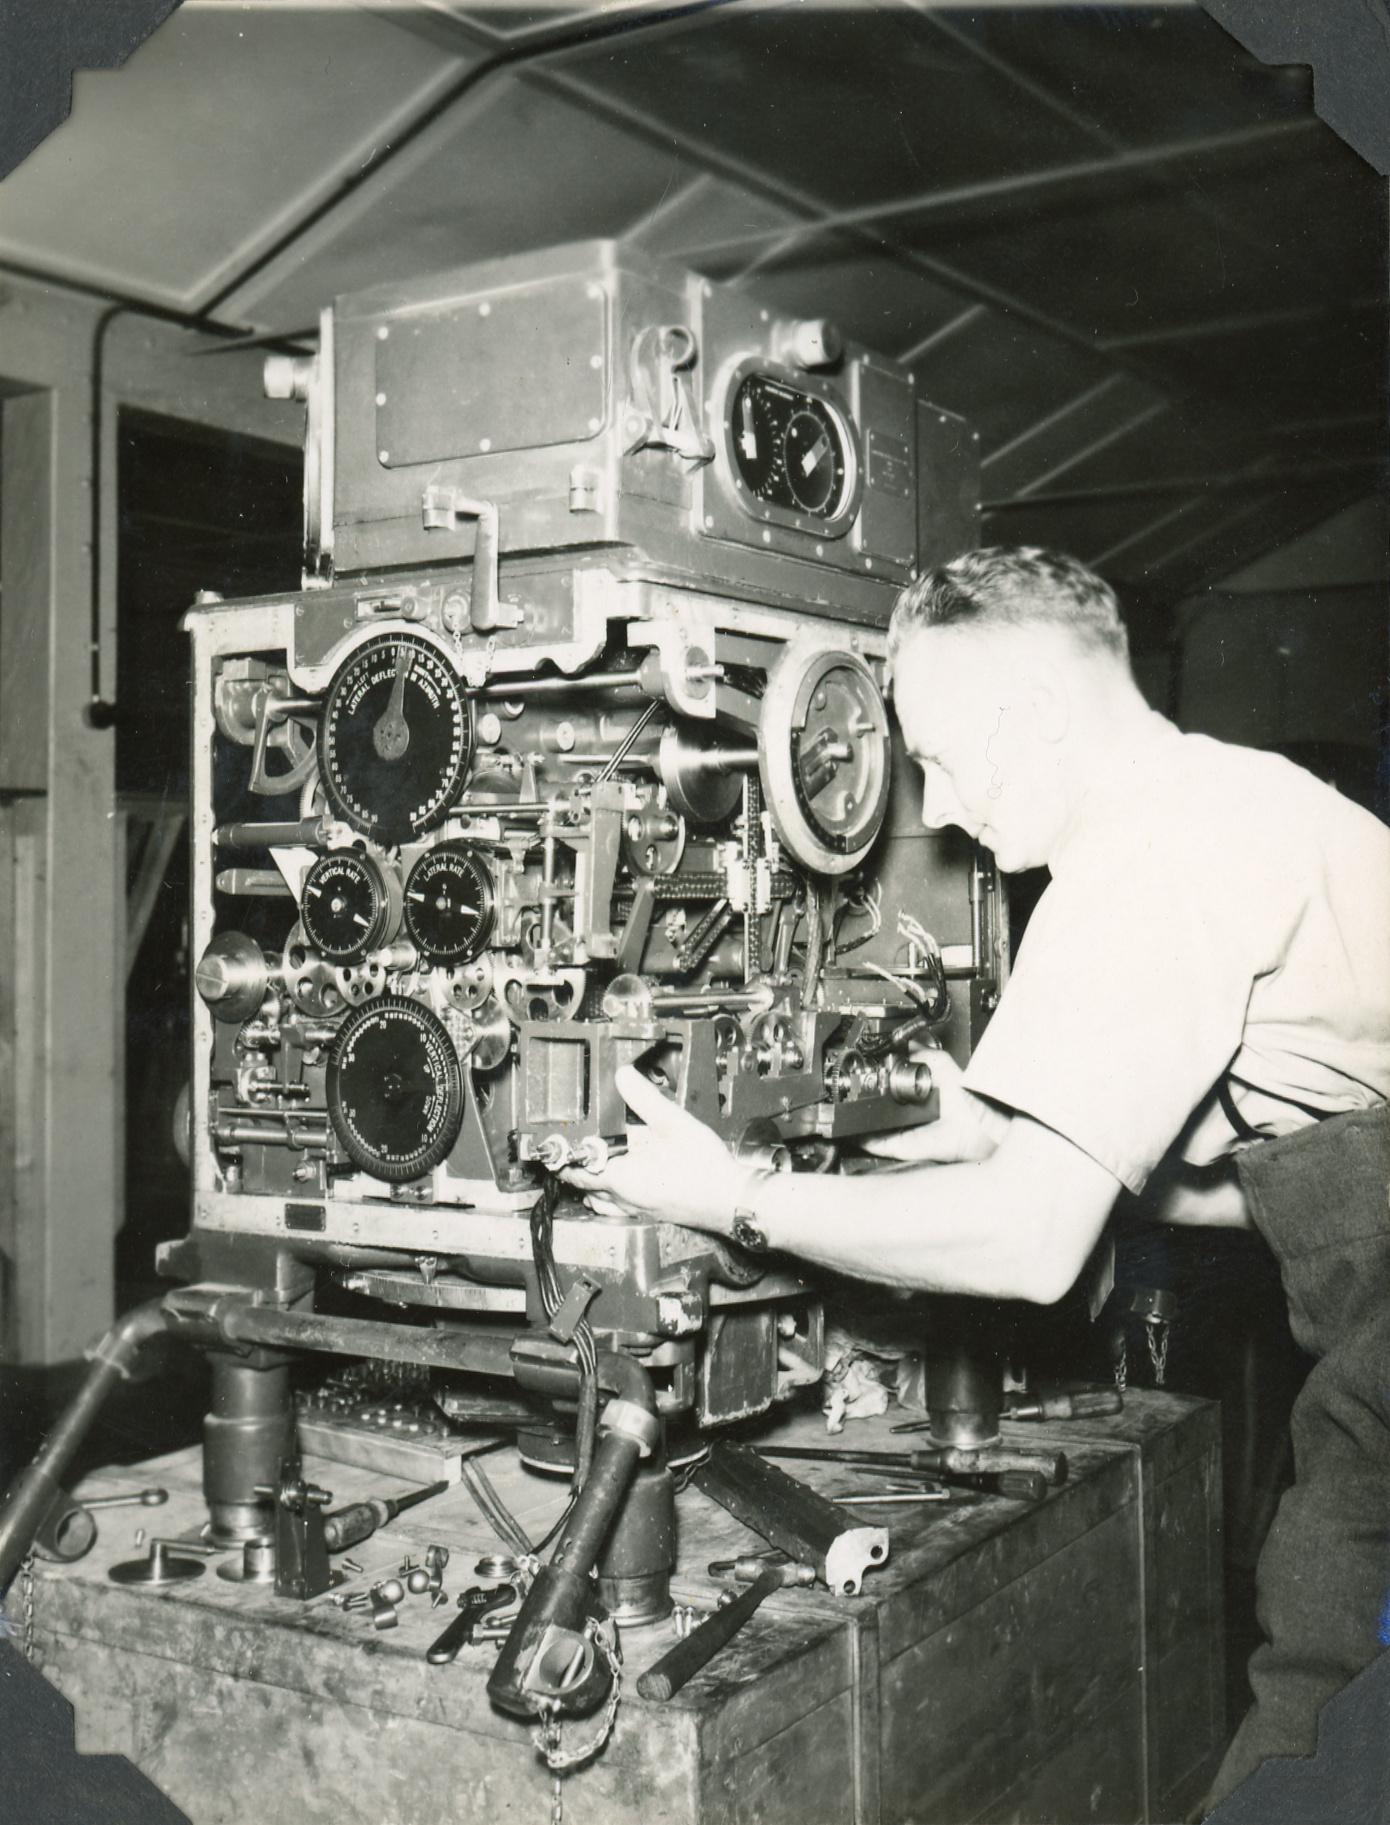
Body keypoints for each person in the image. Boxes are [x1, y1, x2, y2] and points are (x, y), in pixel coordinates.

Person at [565, 546, 1390, 1810]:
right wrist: (995, 1139)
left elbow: (1028, 1249)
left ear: (1036, 716)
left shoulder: (1145, 860)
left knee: (1321, 1731)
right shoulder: (1237, 795)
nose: (938, 809)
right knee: (1326, 1625)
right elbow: (1300, 1177)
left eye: (941, 756)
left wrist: (729, 1196)